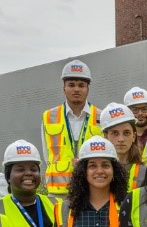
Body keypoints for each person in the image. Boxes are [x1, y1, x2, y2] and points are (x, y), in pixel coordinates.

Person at [41, 58, 102, 198]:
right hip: (58, 192)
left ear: (88, 88)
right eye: (71, 85)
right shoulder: (49, 116)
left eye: (81, 85)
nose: (76, 89)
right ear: (64, 88)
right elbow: (47, 155)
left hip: (91, 189)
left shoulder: (101, 116)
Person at [99, 102, 145, 188]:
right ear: (105, 137)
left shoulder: (145, 173)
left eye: (126, 133)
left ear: (134, 136)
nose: (121, 139)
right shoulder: (97, 173)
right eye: (115, 133)